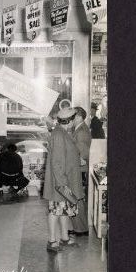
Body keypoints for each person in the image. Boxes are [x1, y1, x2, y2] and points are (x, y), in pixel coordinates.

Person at [43, 107, 83, 252]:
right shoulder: (59, 135)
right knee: (55, 211)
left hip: (64, 180)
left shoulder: (62, 132)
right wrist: (62, 184)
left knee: (64, 211)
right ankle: (52, 241)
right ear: (70, 121)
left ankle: (64, 238)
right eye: (74, 118)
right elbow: (57, 162)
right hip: (60, 182)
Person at [69, 106, 92, 235]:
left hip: (79, 169)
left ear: (78, 117)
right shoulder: (79, 129)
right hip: (78, 169)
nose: (70, 119)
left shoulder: (81, 131)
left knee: (77, 198)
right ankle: (78, 227)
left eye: (72, 116)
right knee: (76, 198)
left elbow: (82, 157)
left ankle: (81, 228)